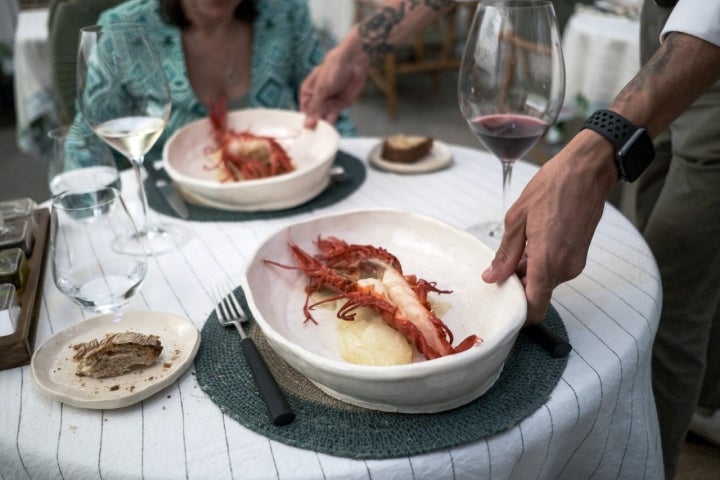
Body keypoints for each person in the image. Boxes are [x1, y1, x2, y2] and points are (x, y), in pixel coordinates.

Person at [300, 1, 720, 478]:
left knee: (676, 296)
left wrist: (596, 152)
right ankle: (707, 396)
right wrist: (357, 49)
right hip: (663, 28)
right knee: (664, 238)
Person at [69, 0, 355, 165]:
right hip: (172, 210)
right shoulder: (123, 29)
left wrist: (353, 158)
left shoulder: (286, 11)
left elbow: (328, 106)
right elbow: (85, 140)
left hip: (281, 188)